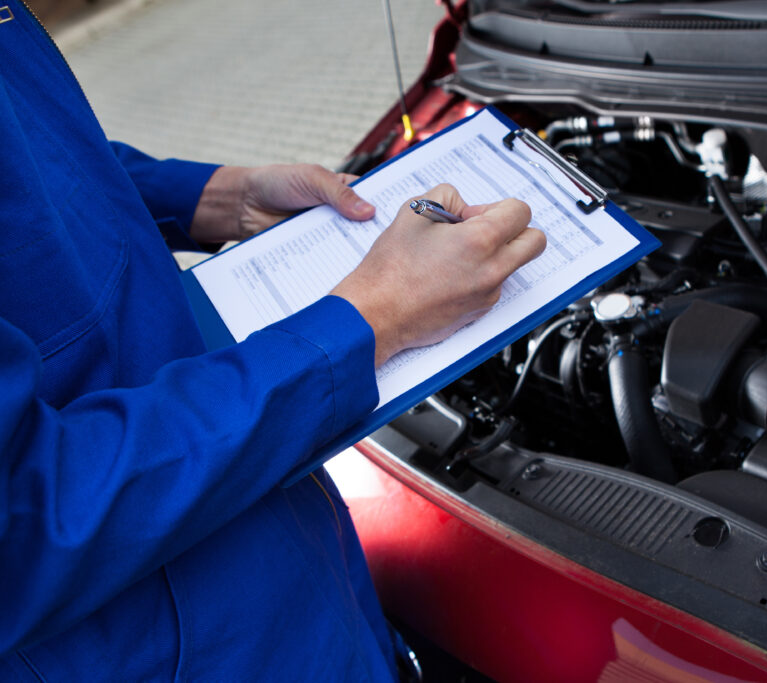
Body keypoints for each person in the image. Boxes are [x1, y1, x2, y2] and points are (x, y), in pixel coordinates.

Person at [0, 2, 545, 680]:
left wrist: (210, 196)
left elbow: (32, 156)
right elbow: (18, 527)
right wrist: (369, 320)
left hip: (274, 539)